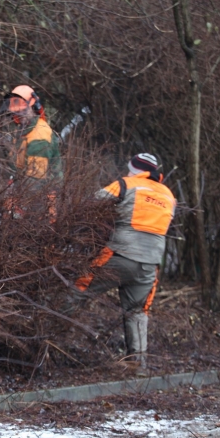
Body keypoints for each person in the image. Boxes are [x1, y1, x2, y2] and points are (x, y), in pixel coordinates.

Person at [73, 153, 176, 369]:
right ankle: (138, 365)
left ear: (135, 170)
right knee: (137, 311)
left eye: (129, 169)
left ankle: (45, 339)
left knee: (77, 290)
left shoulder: (125, 184)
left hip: (118, 256)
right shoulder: (169, 195)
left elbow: (90, 204)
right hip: (150, 265)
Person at [0, 85, 62, 220]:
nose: (18, 116)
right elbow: (16, 166)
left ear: (32, 108)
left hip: (41, 202)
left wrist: (18, 204)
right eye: (16, 113)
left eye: (22, 112)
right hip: (25, 194)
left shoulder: (39, 137)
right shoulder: (25, 131)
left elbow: (35, 181)